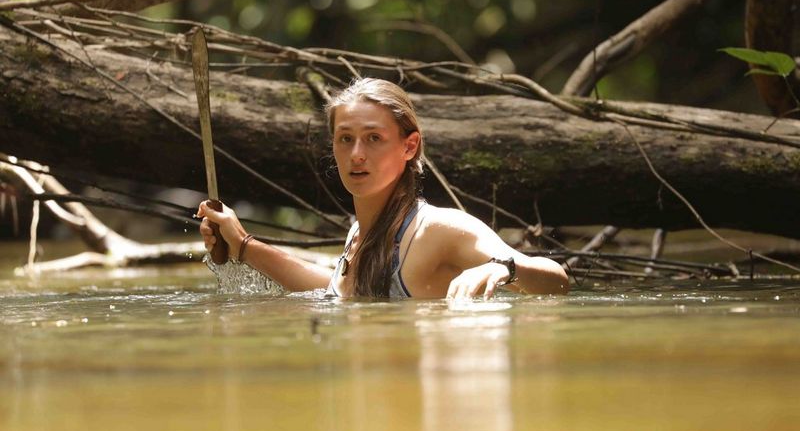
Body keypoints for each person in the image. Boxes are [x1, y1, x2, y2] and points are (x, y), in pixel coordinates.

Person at [197, 78, 568, 298]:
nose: (357, 154)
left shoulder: (438, 230)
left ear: (409, 146)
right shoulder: (360, 231)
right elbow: (333, 292)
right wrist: (243, 245)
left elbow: (558, 281)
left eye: (373, 138)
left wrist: (506, 267)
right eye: (345, 139)